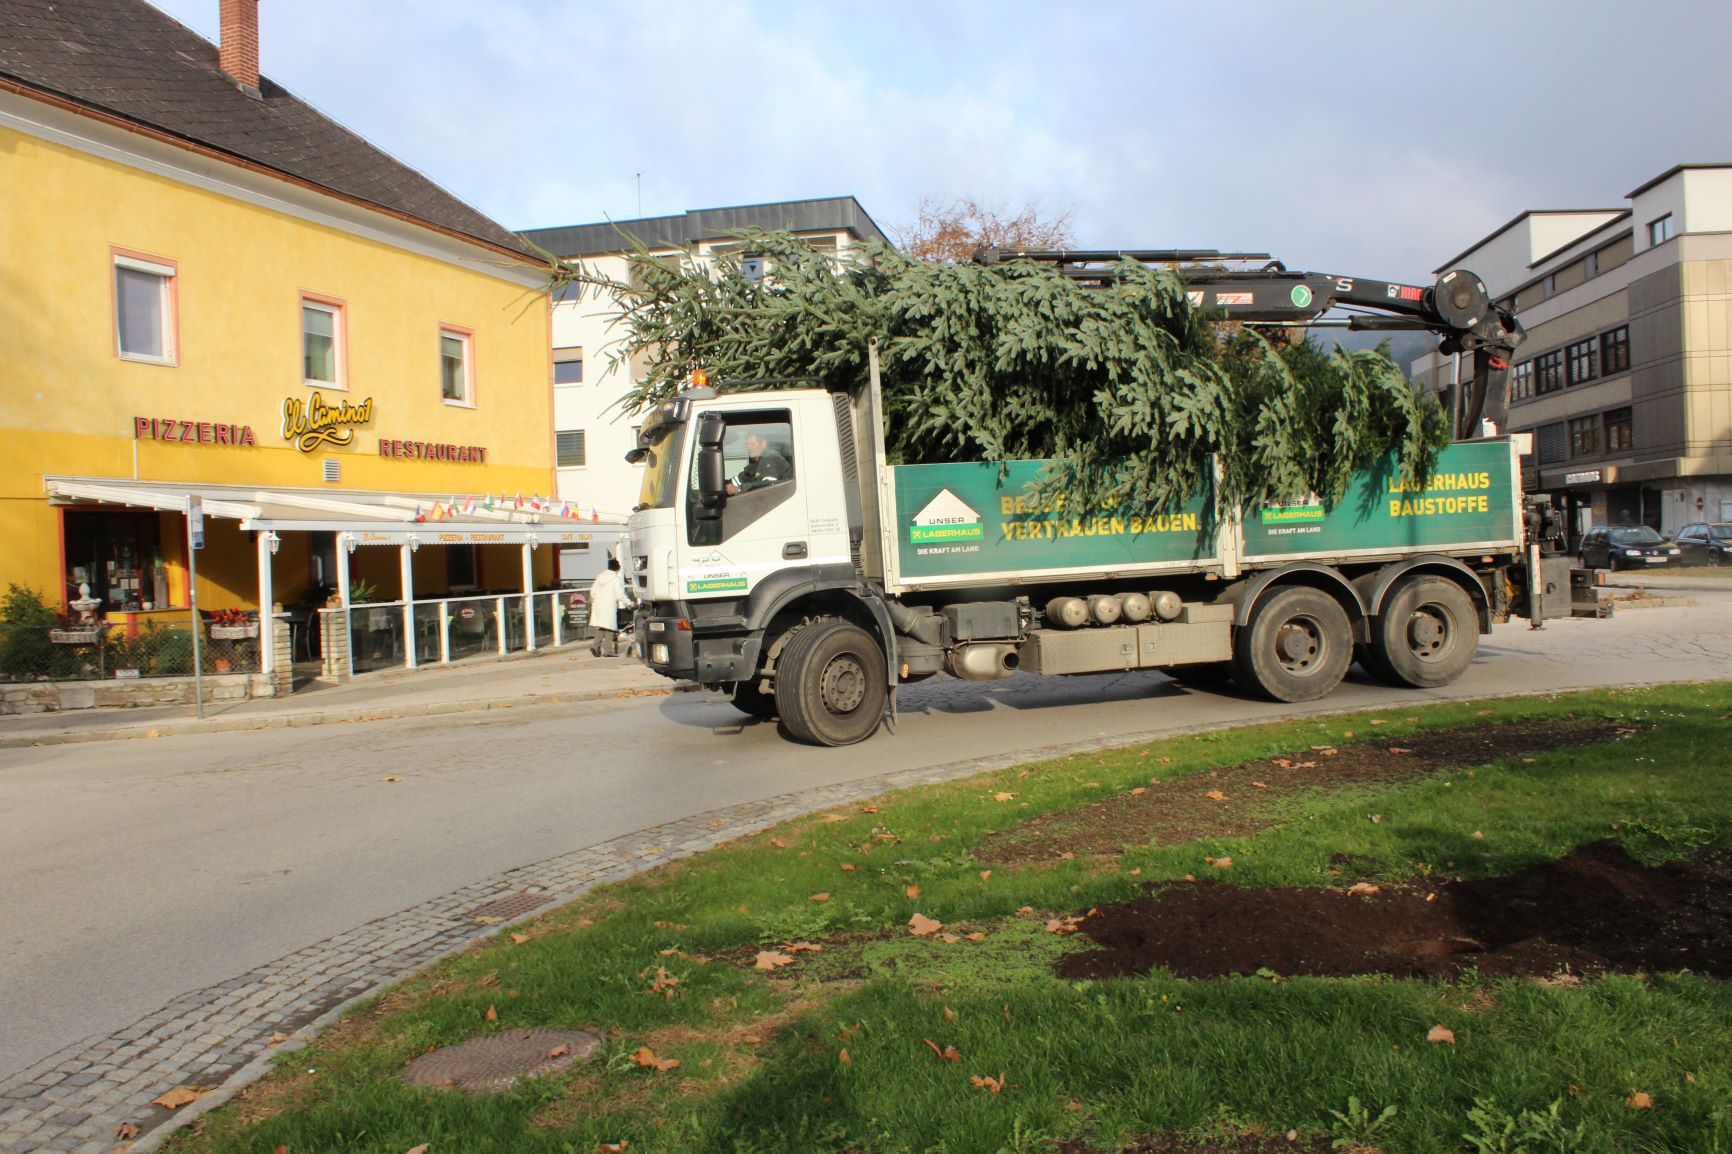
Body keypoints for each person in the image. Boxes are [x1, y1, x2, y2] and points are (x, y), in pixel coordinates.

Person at [587, 557, 631, 657]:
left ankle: (595, 647)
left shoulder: (600, 577)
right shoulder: (615, 579)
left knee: (602, 627)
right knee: (610, 628)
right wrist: (629, 603)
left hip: (598, 605)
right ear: (617, 569)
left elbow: (593, 592)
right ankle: (608, 651)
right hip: (608, 606)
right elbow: (619, 595)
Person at [725, 431, 791, 495]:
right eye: (747, 444)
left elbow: (767, 486)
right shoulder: (755, 464)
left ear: (763, 444)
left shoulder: (771, 458)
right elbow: (737, 481)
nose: (749, 448)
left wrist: (739, 489)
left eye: (752, 444)